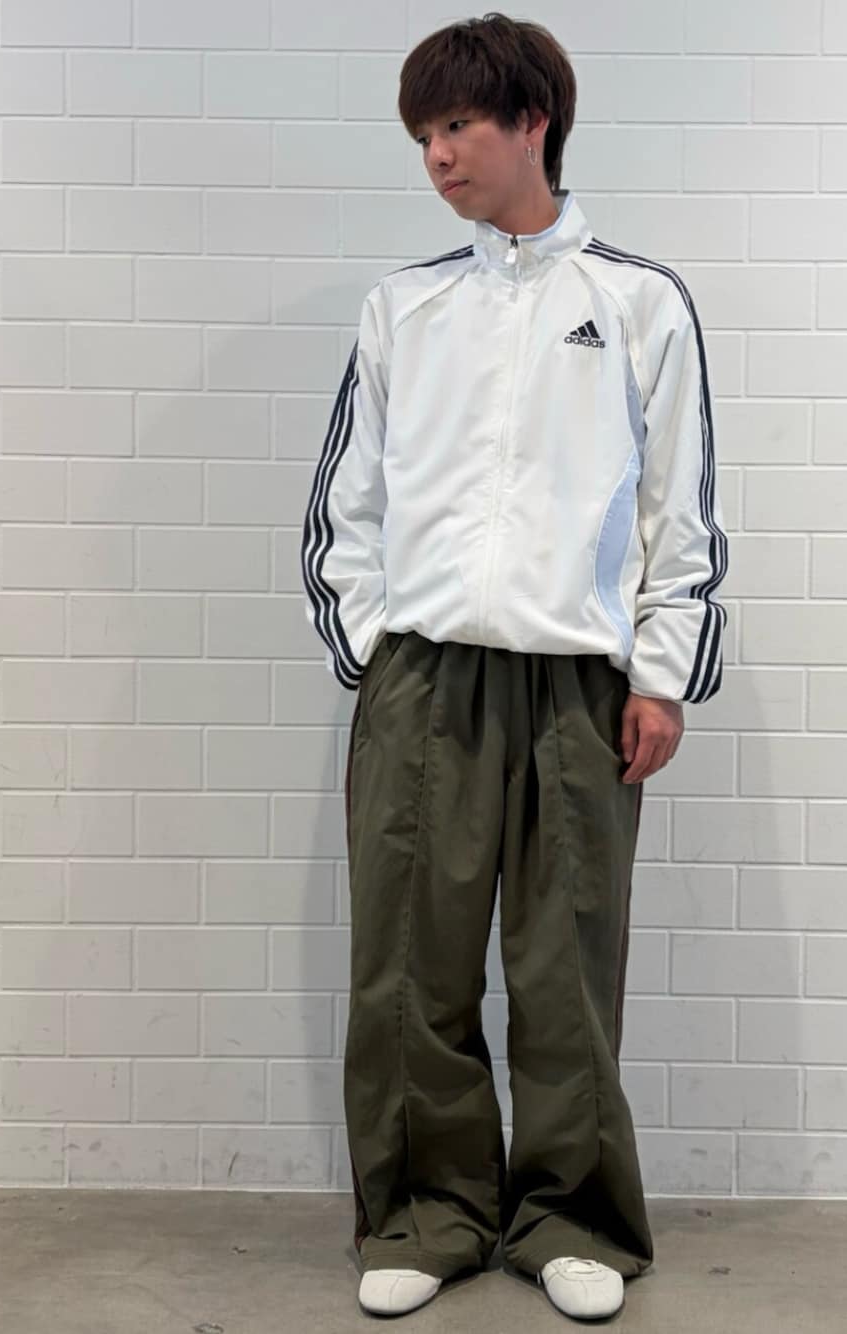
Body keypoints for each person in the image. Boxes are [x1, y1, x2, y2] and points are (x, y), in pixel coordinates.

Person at [300, 11, 728, 1322]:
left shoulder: (639, 302)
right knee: (408, 965)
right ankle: (426, 1213)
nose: (436, 156)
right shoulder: (405, 305)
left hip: (578, 689)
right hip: (424, 681)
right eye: (423, 134)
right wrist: (376, 649)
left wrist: (660, 675)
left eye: (457, 126)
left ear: (532, 121)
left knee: (565, 968)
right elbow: (348, 502)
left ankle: (572, 1218)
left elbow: (679, 506)